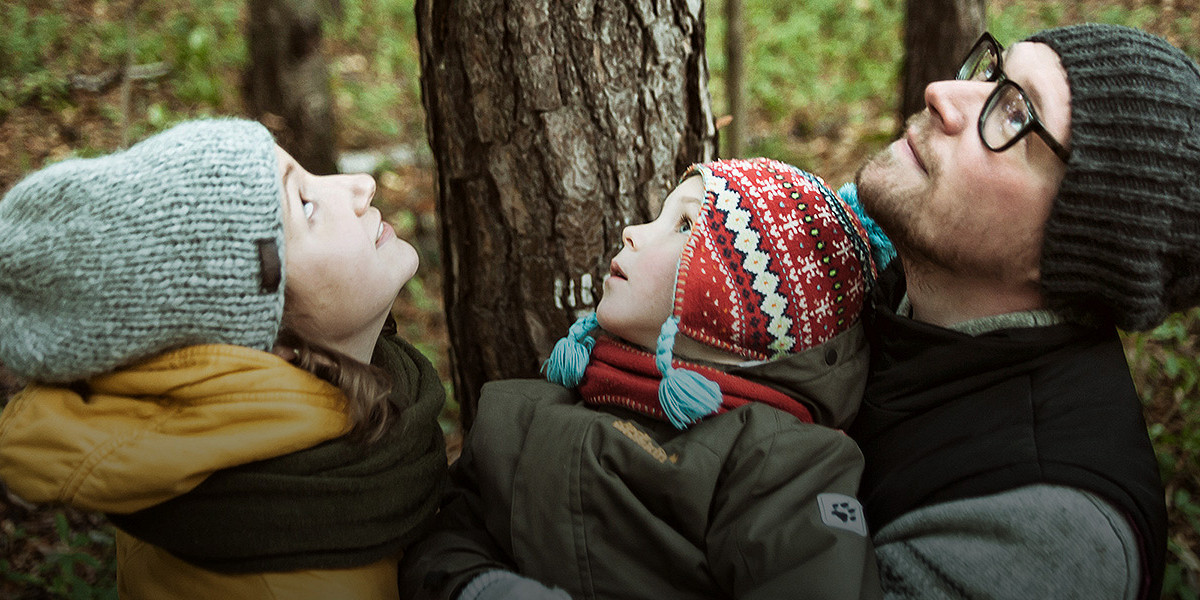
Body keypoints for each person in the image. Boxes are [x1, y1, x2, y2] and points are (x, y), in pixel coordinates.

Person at [398, 157, 891, 600]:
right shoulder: (530, 407)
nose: (634, 230)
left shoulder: (781, 463)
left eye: (683, 225)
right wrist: (484, 587)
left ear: (735, 308)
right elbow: (445, 539)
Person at [0, 119, 448, 599]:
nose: (361, 186)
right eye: (305, 204)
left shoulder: (214, 456)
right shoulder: (284, 583)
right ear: (267, 342)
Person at [848, 23, 1199, 600]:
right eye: (993, 74)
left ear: (1084, 241)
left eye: (1015, 115)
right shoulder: (870, 277)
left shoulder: (1049, 534)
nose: (940, 92)